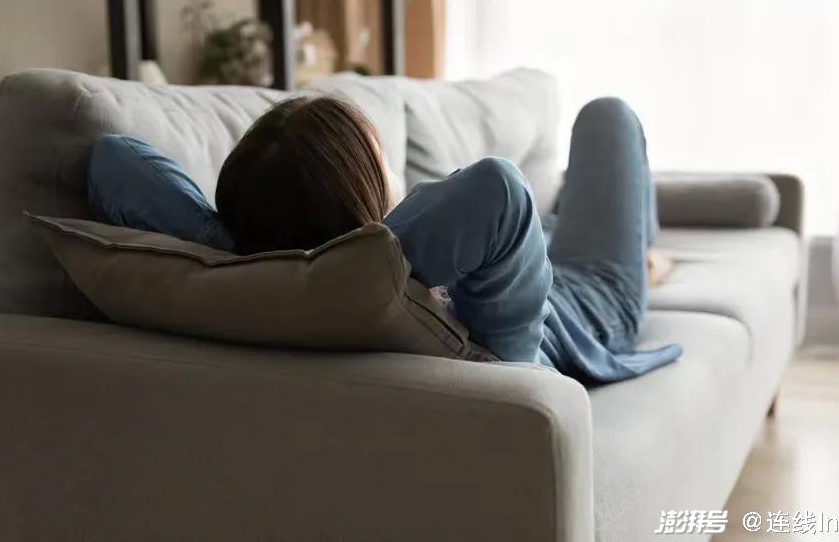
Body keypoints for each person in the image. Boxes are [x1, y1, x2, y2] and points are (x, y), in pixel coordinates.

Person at [88, 96, 681, 384]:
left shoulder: (274, 280)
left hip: (521, 256)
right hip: (589, 296)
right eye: (382, 158)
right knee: (609, 116)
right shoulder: (392, 284)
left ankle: (634, 243)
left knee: (570, 204)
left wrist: (234, 250)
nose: (399, 176)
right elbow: (496, 188)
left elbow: (114, 160)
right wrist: (360, 253)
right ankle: (644, 259)